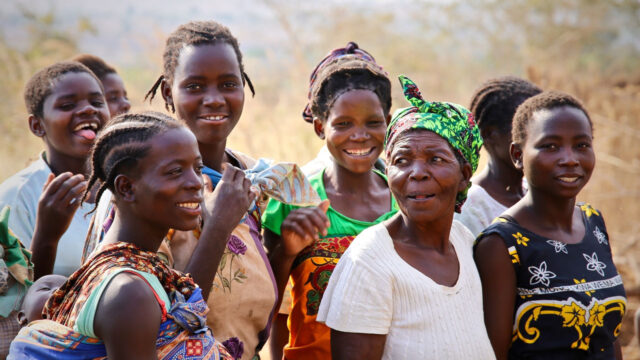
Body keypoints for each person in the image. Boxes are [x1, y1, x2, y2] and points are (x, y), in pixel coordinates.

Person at [10, 111, 250, 359]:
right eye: (175, 171)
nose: (196, 182)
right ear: (126, 187)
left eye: (197, 168)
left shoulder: (131, 271)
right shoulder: (129, 292)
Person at [317, 75, 493, 359]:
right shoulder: (369, 261)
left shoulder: (464, 241)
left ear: (464, 175)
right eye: (401, 161)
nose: (417, 172)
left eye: (436, 159)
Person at [143, 21, 274, 359]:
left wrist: (287, 251)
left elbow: (259, 316)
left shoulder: (257, 178)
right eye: (195, 86)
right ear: (168, 92)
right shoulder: (144, 187)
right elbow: (156, 324)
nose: (214, 99)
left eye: (228, 84)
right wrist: (216, 225)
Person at [262, 42, 397, 360]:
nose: (360, 135)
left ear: (388, 122)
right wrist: (286, 253)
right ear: (321, 127)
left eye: (373, 122)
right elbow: (267, 308)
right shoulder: (294, 199)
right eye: (343, 124)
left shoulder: (404, 200)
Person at [474, 91, 626, 359]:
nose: (570, 159)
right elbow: (492, 354)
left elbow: (609, 337)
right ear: (518, 155)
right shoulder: (501, 244)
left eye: (581, 145)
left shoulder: (594, 222)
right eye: (550, 146)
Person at [0, 61, 109, 279]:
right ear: (37, 125)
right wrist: (47, 238)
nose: (88, 109)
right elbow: (14, 300)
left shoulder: (123, 185)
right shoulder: (16, 198)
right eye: (67, 105)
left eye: (96, 102)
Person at [455, 77, 541, 237]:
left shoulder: (535, 191)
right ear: (488, 135)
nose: (538, 138)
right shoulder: (471, 208)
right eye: (523, 130)